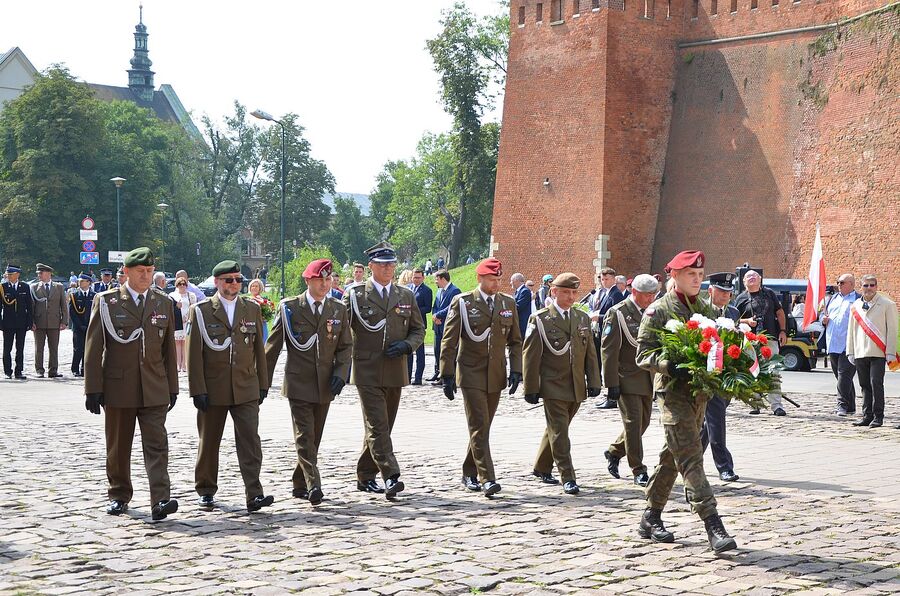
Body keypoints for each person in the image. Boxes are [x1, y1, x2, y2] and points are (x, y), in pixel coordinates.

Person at [636, 250, 736, 553]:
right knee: (692, 456)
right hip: (672, 394)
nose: (697, 279)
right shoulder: (659, 310)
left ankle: (650, 516)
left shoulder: (707, 309)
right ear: (675, 275)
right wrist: (670, 364)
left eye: (700, 275)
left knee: (673, 456)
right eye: (691, 274)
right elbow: (643, 354)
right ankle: (712, 523)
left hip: (699, 395)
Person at [84, 247, 179, 521]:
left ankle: (160, 499)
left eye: (150, 272)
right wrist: (93, 388)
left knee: (158, 445)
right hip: (119, 387)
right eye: (141, 272)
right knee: (118, 446)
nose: (146, 277)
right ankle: (118, 494)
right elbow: (93, 348)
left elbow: (168, 350)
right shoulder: (107, 301)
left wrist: (172, 386)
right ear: (126, 272)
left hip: (154, 387)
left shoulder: (162, 303)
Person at [186, 260, 274, 513]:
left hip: (245, 386)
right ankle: (205, 489)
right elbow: (193, 354)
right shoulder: (202, 310)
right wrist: (197, 389)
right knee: (209, 441)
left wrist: (263, 383)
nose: (234, 284)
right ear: (217, 283)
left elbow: (260, 349)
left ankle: (254, 493)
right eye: (229, 280)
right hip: (213, 388)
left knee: (250, 441)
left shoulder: (251, 309)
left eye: (238, 280)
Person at [343, 242, 425, 499]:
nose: (388, 268)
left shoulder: (405, 295)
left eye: (391, 264)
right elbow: (342, 333)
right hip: (367, 368)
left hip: (395, 368)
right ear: (371, 267)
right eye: (382, 264)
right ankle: (391, 475)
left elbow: (418, 330)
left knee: (383, 426)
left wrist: (406, 345)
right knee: (377, 424)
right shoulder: (356, 295)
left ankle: (365, 475)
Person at [267, 259, 352, 504]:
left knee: (315, 437)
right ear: (308, 281)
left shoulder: (338, 309)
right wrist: (261, 382)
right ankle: (314, 484)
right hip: (298, 382)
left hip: (326, 383)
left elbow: (345, 346)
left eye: (328, 279)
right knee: (304, 435)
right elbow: (271, 349)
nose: (325, 284)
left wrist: (341, 373)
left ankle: (298, 482)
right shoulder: (291, 308)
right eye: (319, 280)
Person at [440, 258, 522, 497]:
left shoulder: (507, 303)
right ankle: (487, 478)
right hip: (470, 372)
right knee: (479, 424)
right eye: (491, 280)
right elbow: (449, 340)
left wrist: (517, 370)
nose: (496, 284)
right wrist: (446, 373)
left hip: (496, 373)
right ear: (479, 278)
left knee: (482, 427)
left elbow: (516, 340)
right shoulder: (464, 303)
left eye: (498, 280)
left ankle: (468, 470)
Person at [523, 273, 602, 495]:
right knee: (560, 432)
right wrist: (531, 387)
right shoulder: (540, 319)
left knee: (558, 429)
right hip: (552, 384)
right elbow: (531, 356)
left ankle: (541, 466)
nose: (571, 297)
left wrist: (594, 380)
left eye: (574, 292)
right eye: (566, 292)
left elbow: (590, 353)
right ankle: (568, 476)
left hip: (576, 384)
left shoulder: (582, 318)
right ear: (554, 292)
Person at [601, 274, 658, 487]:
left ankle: (615, 451)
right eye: (647, 295)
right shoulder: (618, 313)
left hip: (647, 377)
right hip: (626, 377)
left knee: (643, 423)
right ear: (635, 292)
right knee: (633, 424)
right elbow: (609, 351)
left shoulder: (652, 312)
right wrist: (611, 384)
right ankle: (638, 469)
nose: (651, 298)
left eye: (653, 294)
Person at [699, 272, 740, 482]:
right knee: (716, 420)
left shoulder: (733, 313)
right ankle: (724, 466)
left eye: (729, 292)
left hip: (726, 375)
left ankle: (689, 458)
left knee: (710, 422)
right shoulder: (701, 311)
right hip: (706, 374)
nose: (726, 296)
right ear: (711, 291)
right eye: (722, 291)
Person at [847, 274, 898, 429]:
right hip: (861, 351)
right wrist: (850, 351)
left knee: (876, 383)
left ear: (876, 286)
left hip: (878, 352)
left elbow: (892, 330)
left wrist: (890, 351)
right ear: (861, 287)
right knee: (864, 385)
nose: (869, 288)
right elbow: (851, 330)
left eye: (872, 285)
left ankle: (878, 416)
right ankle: (867, 415)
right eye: (865, 285)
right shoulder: (855, 305)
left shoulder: (887, 304)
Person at [734, 269, 787, 416]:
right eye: (748, 277)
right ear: (743, 282)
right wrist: (747, 321)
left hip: (769, 338)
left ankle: (776, 405)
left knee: (773, 371)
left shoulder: (769, 293)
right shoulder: (741, 298)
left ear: (760, 279)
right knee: (753, 371)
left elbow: (780, 312)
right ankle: (755, 403)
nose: (751, 278)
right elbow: (734, 319)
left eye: (754, 276)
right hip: (750, 341)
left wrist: (783, 331)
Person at [821, 274, 859, 416]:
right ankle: (851, 406)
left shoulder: (857, 299)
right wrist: (823, 319)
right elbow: (824, 315)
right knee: (841, 376)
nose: (839, 285)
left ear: (851, 284)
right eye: (838, 282)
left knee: (844, 375)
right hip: (833, 342)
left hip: (848, 344)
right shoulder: (833, 299)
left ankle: (841, 406)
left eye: (842, 282)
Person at [590, 267, 626, 409]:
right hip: (602, 331)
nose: (604, 282)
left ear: (614, 279)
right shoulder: (605, 293)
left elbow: (617, 316)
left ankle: (612, 397)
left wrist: (598, 317)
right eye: (602, 279)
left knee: (610, 365)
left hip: (612, 334)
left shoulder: (616, 294)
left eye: (607, 279)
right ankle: (610, 394)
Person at [30, 263, 68, 378]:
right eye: (38, 273)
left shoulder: (59, 287)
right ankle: (39, 370)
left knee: (54, 348)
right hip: (39, 322)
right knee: (39, 348)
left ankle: (53, 370)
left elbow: (64, 305)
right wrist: (31, 322)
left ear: (49, 274)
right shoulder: (34, 287)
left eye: (41, 273)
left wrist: (64, 321)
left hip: (54, 322)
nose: (39, 275)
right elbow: (31, 306)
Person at [1, 264, 34, 379]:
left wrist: (30, 321)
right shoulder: (3, 287)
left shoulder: (24, 286)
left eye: (11, 274)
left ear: (17, 275)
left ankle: (18, 371)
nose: (8, 276)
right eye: (8, 274)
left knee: (20, 348)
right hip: (8, 323)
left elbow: (29, 305)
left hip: (21, 322)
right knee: (7, 348)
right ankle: (7, 371)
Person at [429, 269, 461, 384]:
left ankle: (447, 376)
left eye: (436, 279)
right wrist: (434, 316)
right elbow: (435, 306)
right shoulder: (439, 291)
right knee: (437, 350)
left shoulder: (454, 290)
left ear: (442, 279)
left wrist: (439, 315)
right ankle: (438, 373)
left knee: (447, 352)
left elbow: (452, 307)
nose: (435, 282)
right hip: (437, 326)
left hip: (448, 326)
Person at [407, 269, 432, 385]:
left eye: (418, 277)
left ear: (423, 278)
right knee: (408, 351)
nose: (416, 279)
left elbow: (428, 308)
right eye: (414, 277)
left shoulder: (427, 290)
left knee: (420, 352)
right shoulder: (408, 288)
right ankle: (407, 376)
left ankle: (418, 377)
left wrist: (414, 310)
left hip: (419, 324)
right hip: (407, 324)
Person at [69, 274, 94, 377]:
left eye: (83, 281)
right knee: (78, 348)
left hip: (90, 327)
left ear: (89, 282)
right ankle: (75, 368)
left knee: (88, 349)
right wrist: (80, 325)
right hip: (78, 327)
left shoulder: (94, 296)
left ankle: (85, 368)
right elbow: (72, 313)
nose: (80, 283)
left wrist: (90, 325)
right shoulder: (74, 296)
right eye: (79, 281)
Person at [170, 278, 196, 372]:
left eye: (184, 284)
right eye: (180, 284)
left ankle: (184, 364)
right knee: (177, 343)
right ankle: (178, 364)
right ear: (177, 285)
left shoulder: (191, 295)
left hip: (187, 321)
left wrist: (188, 316)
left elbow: (193, 307)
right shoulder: (172, 295)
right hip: (177, 321)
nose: (182, 286)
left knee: (185, 342)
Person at [511, 272, 532, 339]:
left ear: (516, 281)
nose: (510, 283)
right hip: (518, 322)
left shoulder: (525, 291)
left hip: (522, 323)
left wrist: (507, 308)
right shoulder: (518, 291)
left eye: (511, 281)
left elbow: (519, 307)